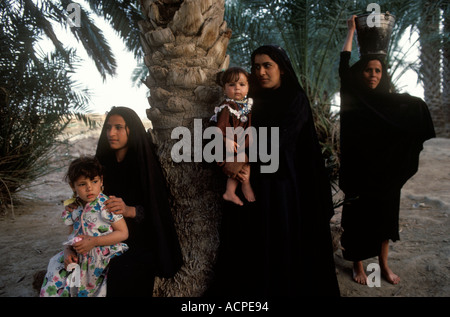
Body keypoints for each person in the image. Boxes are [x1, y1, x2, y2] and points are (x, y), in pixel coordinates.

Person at [208, 45, 340, 297]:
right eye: (256, 66)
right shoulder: (249, 101)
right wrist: (227, 160)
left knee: (278, 249)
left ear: (281, 68)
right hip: (249, 186)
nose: (261, 71)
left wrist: (243, 157)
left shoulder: (295, 99)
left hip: (282, 189)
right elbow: (224, 128)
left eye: (267, 65)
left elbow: (283, 140)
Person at [339, 16, 435, 285]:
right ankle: (358, 264)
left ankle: (383, 264)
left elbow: (409, 113)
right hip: (359, 168)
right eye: (368, 70)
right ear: (361, 73)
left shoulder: (388, 100)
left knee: (386, 215)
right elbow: (344, 64)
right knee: (357, 216)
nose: (372, 75)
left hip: (384, 170)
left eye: (378, 71)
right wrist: (350, 32)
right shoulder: (352, 94)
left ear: (384, 74)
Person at [66, 106, 183, 296]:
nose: (111, 133)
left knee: (124, 270)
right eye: (108, 127)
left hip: (138, 238)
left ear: (131, 130)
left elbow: (157, 208)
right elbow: (88, 194)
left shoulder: (143, 163)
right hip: (103, 233)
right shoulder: (102, 164)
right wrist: (77, 204)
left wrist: (129, 210)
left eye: (119, 127)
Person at [40, 156, 129, 297]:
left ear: (101, 180)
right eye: (82, 184)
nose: (89, 188)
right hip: (79, 256)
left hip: (103, 258)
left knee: (99, 289)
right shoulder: (73, 208)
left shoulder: (107, 205)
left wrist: (95, 241)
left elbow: (123, 233)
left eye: (94, 181)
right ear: (72, 186)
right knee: (57, 266)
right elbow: (71, 235)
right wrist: (68, 250)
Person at [210, 67, 255, 206]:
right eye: (231, 85)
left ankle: (245, 184)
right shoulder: (226, 107)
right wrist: (226, 140)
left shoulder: (247, 105)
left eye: (242, 85)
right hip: (232, 144)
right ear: (224, 89)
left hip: (244, 142)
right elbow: (218, 129)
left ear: (248, 87)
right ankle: (231, 191)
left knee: (246, 163)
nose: (237, 88)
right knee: (237, 164)